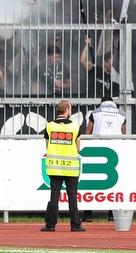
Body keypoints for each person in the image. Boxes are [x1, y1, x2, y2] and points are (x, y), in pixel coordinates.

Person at [42, 100, 86, 232]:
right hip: (71, 168)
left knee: (54, 196)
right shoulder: (75, 127)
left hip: (54, 167)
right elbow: (78, 148)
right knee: (72, 196)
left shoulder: (49, 126)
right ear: (66, 110)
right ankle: (75, 224)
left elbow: (47, 146)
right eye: (70, 109)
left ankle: (50, 225)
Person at [82, 97, 126, 223]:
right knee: (114, 184)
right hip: (115, 151)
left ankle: (88, 215)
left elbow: (88, 132)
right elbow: (124, 134)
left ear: (101, 103)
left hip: (97, 149)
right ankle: (112, 215)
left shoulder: (95, 113)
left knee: (91, 181)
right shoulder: (122, 114)